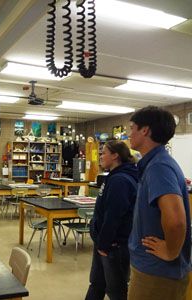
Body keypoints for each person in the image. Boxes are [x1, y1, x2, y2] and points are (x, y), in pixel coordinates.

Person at [128, 106, 191, 300]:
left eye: (132, 128)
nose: (129, 134)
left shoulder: (159, 167)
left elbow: (176, 220)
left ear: (145, 130)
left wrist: (171, 251)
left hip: (157, 273)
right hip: (152, 268)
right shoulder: (154, 164)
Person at [86, 140, 138, 300]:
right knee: (96, 284)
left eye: (104, 153)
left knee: (116, 291)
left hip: (112, 246)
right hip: (104, 242)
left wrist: (104, 244)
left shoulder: (120, 180)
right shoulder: (114, 177)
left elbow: (114, 215)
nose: (101, 157)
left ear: (115, 155)